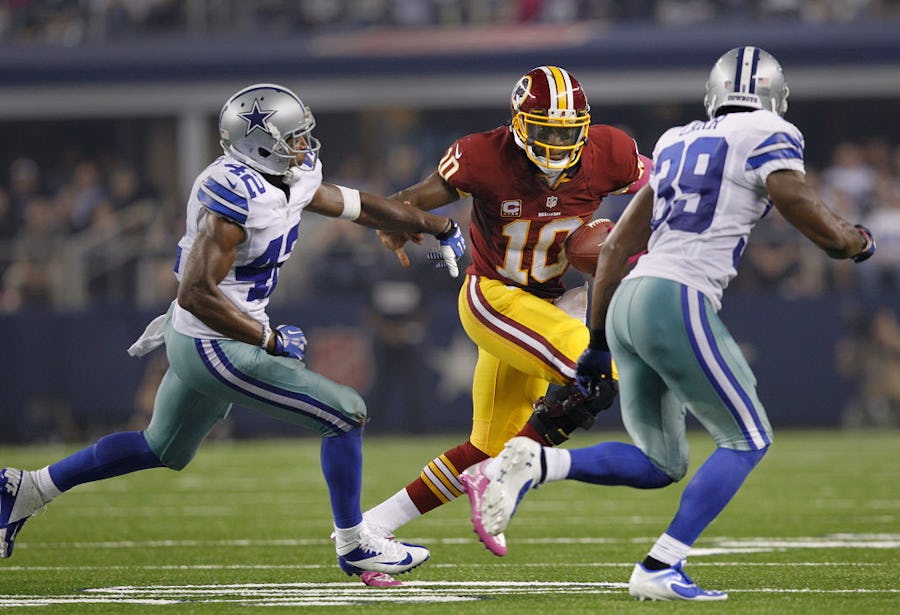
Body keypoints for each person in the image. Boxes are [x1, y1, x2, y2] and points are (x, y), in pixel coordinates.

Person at [0, 83, 466, 583]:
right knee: (345, 412)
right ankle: (355, 544)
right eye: (293, 137)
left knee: (162, 448)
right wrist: (268, 340)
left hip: (204, 336)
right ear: (259, 143)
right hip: (213, 340)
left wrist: (435, 226)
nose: (304, 146)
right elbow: (195, 292)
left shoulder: (286, 176)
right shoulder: (235, 198)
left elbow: (353, 204)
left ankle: (28, 488)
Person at [460, 47, 876, 602]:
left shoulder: (678, 139)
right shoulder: (770, 131)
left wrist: (599, 343)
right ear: (774, 98)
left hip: (629, 297)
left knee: (662, 463)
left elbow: (616, 250)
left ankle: (537, 461)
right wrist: (851, 240)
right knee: (748, 439)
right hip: (678, 294)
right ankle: (661, 566)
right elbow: (792, 196)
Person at [361, 65, 649, 567]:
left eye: (567, 132)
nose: (557, 143)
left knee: (490, 446)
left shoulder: (612, 151)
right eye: (545, 131)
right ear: (519, 125)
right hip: (494, 297)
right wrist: (395, 220)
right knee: (596, 369)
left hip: (548, 305)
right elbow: (412, 199)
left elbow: (664, 190)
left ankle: (370, 528)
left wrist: (634, 247)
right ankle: (501, 477)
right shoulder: (483, 156)